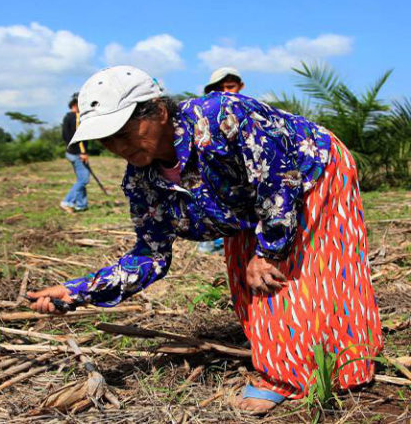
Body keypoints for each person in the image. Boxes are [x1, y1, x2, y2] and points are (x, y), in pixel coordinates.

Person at [28, 66, 383, 414]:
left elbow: (279, 180)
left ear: (160, 111)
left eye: (124, 130)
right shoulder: (142, 182)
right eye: (107, 138)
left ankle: (318, 370)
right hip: (246, 202)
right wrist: (78, 290)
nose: (118, 146)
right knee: (252, 282)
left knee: (300, 273)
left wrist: (269, 250)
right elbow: (150, 256)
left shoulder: (223, 116)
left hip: (310, 172)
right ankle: (291, 360)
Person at [197, 66, 245, 254]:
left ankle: (231, 247)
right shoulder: (204, 112)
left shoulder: (247, 110)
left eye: (230, 87)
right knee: (213, 205)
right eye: (220, 88)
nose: (225, 92)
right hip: (214, 169)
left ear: (241, 86)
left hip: (239, 171)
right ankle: (210, 245)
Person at [60, 92, 90, 212]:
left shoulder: (67, 117)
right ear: (75, 104)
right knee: (84, 179)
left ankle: (81, 205)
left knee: (80, 179)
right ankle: (67, 201)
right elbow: (79, 137)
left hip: (70, 152)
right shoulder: (76, 118)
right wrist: (83, 152)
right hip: (77, 153)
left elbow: (65, 136)